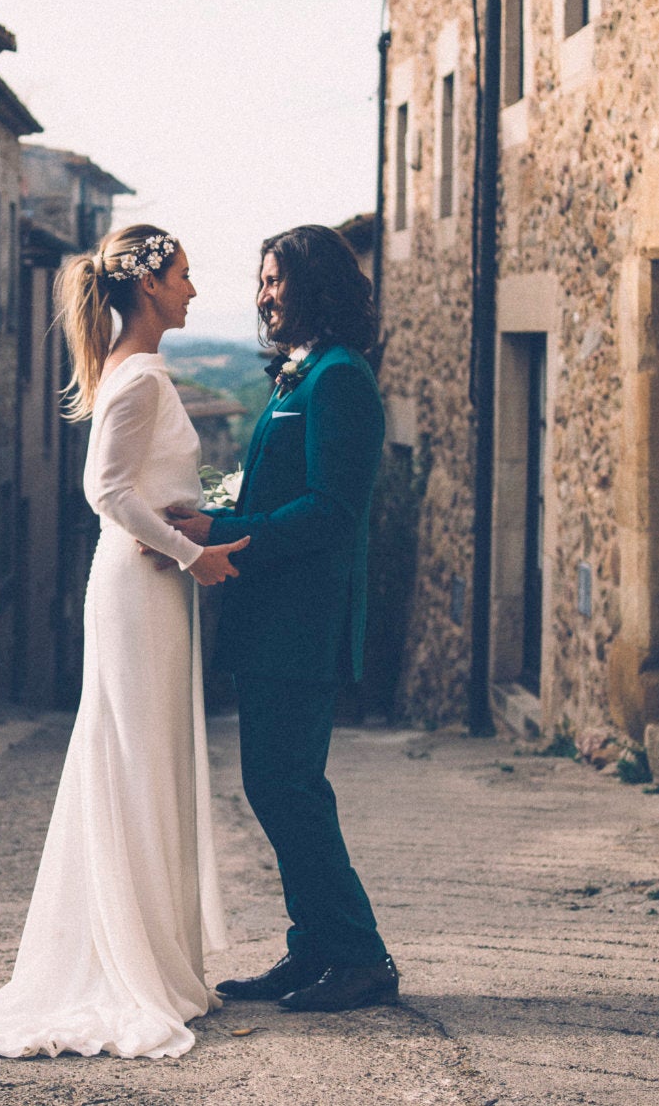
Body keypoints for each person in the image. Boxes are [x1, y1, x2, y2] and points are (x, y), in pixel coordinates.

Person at [0, 225, 248, 1060]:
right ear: (146, 287)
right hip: (140, 586)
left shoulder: (145, 374)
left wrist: (209, 514)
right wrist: (191, 554)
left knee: (151, 754)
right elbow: (104, 489)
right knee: (133, 757)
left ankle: (158, 957)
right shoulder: (136, 379)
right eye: (182, 274)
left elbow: (151, 485)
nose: (193, 290)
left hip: (153, 584)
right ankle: (132, 964)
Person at [163, 223, 399, 1012]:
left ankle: (362, 956)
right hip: (273, 618)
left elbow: (333, 512)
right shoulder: (296, 378)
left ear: (316, 285)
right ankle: (314, 949)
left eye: (276, 280)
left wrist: (227, 536)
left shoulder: (341, 380)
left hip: (305, 621)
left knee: (288, 787)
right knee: (278, 786)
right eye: (261, 282)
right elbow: (268, 484)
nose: (264, 295)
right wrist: (206, 507)